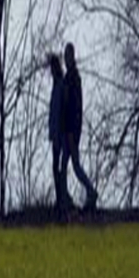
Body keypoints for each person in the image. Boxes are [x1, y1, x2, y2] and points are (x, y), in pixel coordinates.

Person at [62, 41, 98, 212]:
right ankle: (68, 198)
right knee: (67, 166)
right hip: (71, 129)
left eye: (67, 55)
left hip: (71, 130)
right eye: (64, 56)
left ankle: (90, 192)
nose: (65, 58)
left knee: (72, 166)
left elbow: (73, 107)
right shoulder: (71, 77)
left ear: (71, 56)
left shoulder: (73, 78)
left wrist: (71, 131)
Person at [47, 51, 71, 217]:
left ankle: (63, 200)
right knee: (56, 168)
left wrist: (61, 130)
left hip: (61, 134)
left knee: (60, 168)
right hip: (56, 134)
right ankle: (61, 198)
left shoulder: (61, 85)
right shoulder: (56, 85)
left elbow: (62, 109)